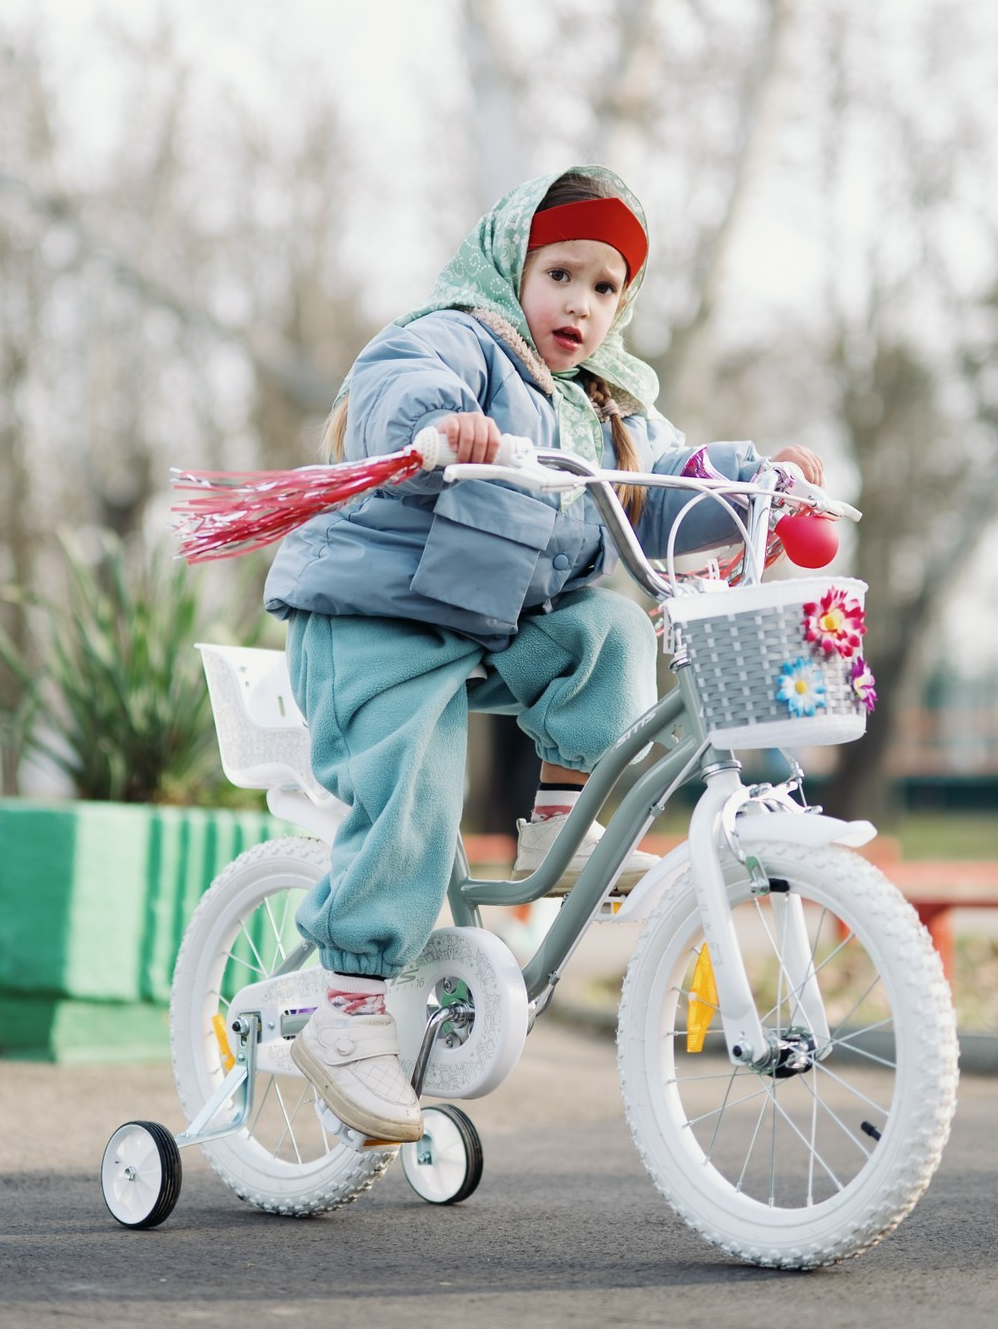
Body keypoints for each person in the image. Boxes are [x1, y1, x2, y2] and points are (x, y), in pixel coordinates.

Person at [262, 166, 827, 1142]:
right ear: (510, 268)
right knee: (415, 791)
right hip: (378, 616)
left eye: (605, 287)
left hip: (489, 625)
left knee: (607, 630)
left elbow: (664, 488)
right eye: (560, 274)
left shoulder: (607, 406)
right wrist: (443, 424)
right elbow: (397, 383)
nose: (581, 304)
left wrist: (758, 482)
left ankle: (561, 826)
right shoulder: (460, 337)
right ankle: (348, 1007)